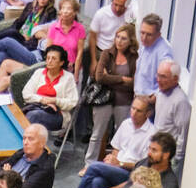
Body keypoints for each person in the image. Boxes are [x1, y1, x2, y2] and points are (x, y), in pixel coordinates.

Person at [84, 21, 138, 164]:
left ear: (131, 41)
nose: (119, 41)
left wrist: (111, 78)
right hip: (104, 99)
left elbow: (134, 82)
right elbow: (100, 76)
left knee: (122, 134)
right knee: (97, 134)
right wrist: (122, 79)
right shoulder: (107, 54)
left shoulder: (134, 58)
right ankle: (89, 164)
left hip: (124, 101)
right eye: (117, 37)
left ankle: (117, 163)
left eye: (124, 38)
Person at [20, 43, 78, 132]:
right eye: (48, 58)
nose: (49, 61)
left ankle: (24, 143)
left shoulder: (68, 77)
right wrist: (43, 101)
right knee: (30, 116)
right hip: (35, 108)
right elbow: (26, 93)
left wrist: (54, 101)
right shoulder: (39, 73)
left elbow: (72, 102)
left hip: (57, 115)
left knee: (33, 116)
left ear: (61, 62)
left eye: (54, 58)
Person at [87, 0, 136, 71]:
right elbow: (92, 37)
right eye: (115, 4)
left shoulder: (132, 14)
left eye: (121, 6)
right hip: (101, 50)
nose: (117, 9)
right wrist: (93, 61)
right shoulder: (101, 14)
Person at [154, 58, 192, 166]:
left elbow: (183, 133)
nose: (158, 80)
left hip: (168, 157)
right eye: (158, 75)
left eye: (163, 77)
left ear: (175, 79)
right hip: (156, 150)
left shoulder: (180, 101)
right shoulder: (160, 93)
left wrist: (175, 160)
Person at [135, 12, 176, 99]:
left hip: (150, 99)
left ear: (158, 35)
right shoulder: (144, 45)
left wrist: (156, 95)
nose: (144, 37)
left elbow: (168, 77)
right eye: (142, 33)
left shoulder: (164, 51)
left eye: (149, 34)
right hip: (138, 96)